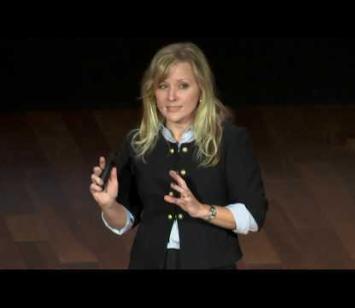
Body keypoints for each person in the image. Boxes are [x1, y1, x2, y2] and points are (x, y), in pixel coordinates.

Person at [89, 42, 268, 269]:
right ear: (153, 92)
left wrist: (202, 210)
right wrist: (108, 205)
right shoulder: (138, 142)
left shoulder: (230, 140)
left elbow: (252, 216)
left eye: (183, 86)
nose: (171, 96)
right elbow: (124, 221)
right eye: (163, 86)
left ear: (201, 90)